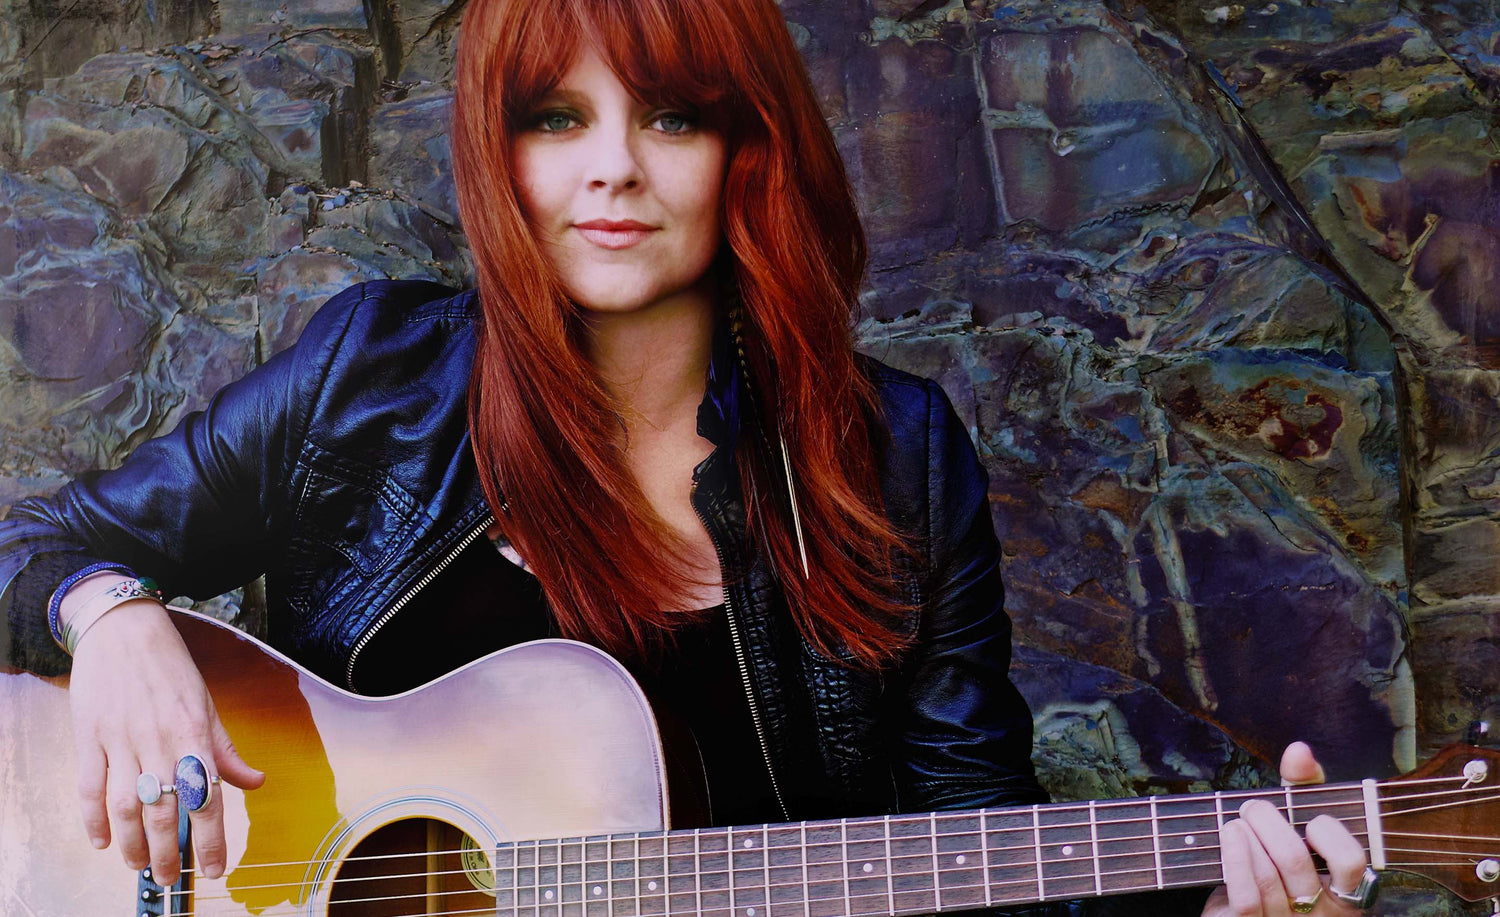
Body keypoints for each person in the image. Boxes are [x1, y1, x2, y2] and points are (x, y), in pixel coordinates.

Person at [0, 0, 1374, 914]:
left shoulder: (894, 456)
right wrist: (110, 618)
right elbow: (29, 547)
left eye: (669, 115)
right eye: (556, 118)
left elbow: (994, 858)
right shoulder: (373, 377)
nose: (612, 170)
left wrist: (1231, 897)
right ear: (501, 152)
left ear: (746, 148)